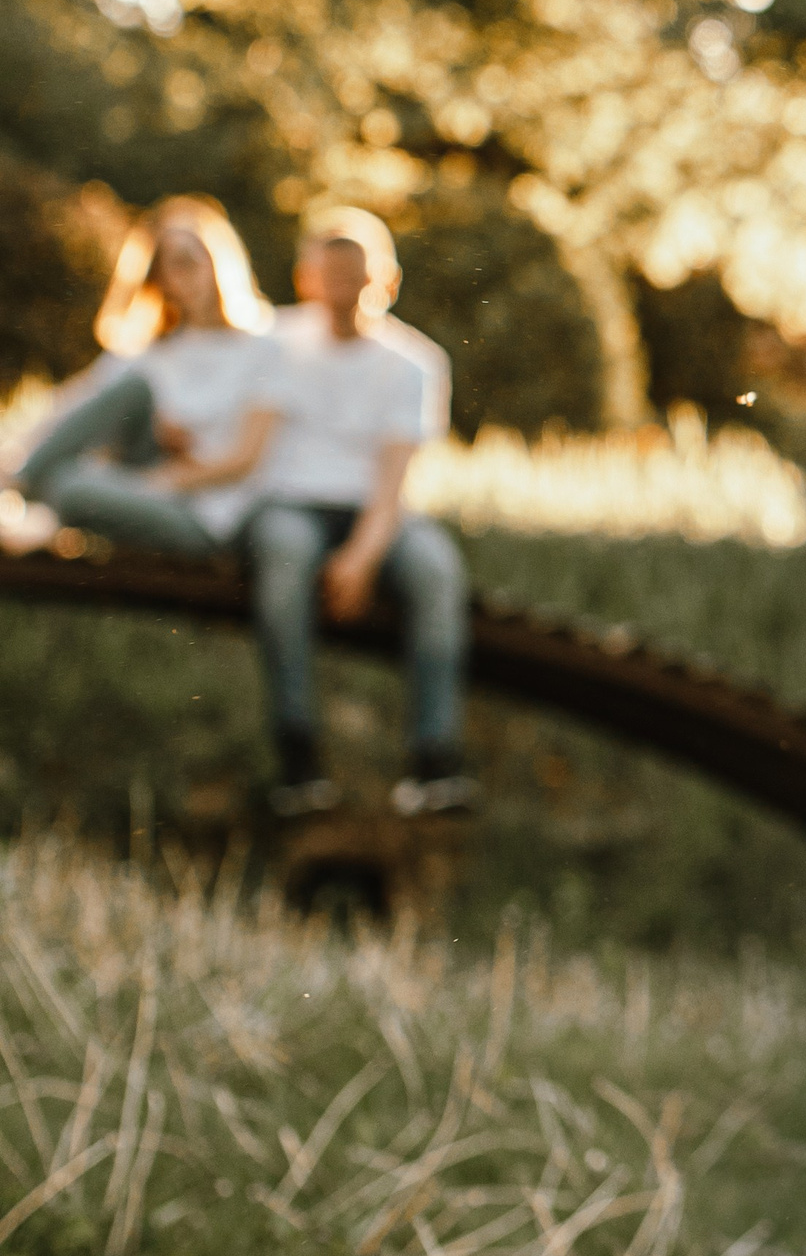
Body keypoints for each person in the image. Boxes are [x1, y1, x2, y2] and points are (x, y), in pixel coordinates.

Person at [245, 206, 475, 819]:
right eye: (332, 275)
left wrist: (360, 560)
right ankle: (298, 757)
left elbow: (393, 482)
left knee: (435, 572)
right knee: (283, 560)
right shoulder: (273, 342)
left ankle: (435, 759)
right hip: (292, 505)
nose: (344, 291)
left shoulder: (415, 363)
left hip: (377, 514)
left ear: (388, 281)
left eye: (358, 276)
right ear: (306, 279)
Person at [9, 197, 278, 556]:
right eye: (170, 268)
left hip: (206, 512)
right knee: (132, 390)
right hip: (143, 483)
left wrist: (171, 466)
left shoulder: (265, 346)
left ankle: (22, 490)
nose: (185, 276)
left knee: (68, 486)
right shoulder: (153, 351)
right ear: (160, 282)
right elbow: (72, 406)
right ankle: (18, 481)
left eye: (191, 260)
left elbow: (246, 459)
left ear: (219, 259)